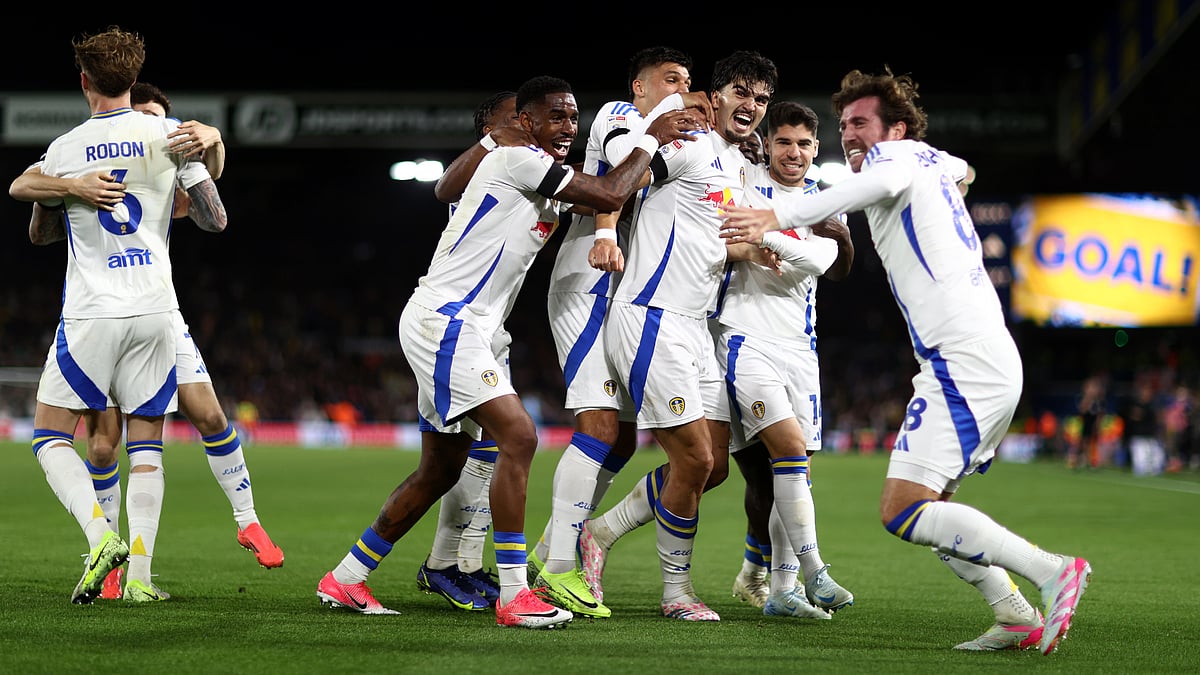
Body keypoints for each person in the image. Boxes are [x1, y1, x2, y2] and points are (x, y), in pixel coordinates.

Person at [718, 66, 1091, 655]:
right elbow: (963, 170)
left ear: (895, 128)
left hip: (963, 359)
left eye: (860, 123)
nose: (850, 135)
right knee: (931, 502)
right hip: (966, 357)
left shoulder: (894, 160)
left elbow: (863, 189)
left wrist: (775, 217)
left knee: (903, 508)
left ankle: (1052, 571)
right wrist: (950, 180)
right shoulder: (929, 160)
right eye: (843, 126)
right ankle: (1013, 613)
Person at [315, 75, 700, 628]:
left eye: (574, 118)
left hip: (467, 328)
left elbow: (606, 200)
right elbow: (611, 193)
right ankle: (516, 592)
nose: (569, 127)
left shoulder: (538, 176)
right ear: (526, 123)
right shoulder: (517, 159)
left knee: (439, 468)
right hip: (449, 322)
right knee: (518, 436)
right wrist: (651, 135)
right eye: (557, 117)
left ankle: (346, 577)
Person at [13, 82, 282, 602]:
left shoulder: (152, 152)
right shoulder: (130, 152)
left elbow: (194, 198)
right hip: (136, 313)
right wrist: (68, 188)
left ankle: (152, 559)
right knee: (105, 441)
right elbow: (208, 208)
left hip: (144, 314)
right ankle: (119, 568)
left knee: (205, 415)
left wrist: (213, 144)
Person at [577, 50, 779, 622]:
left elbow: (724, 241)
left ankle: (600, 531)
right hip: (652, 314)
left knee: (713, 465)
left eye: (761, 99)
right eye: (741, 93)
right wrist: (607, 230)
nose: (752, 107)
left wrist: (765, 252)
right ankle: (677, 593)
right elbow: (622, 186)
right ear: (715, 98)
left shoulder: (735, 167)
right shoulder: (687, 144)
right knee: (692, 458)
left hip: (697, 327)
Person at [525, 46, 715, 620]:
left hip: (626, 292)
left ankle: (545, 554)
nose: (681, 88)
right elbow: (614, 180)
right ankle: (559, 568)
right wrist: (608, 226)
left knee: (625, 438)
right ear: (638, 85)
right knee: (600, 425)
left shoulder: (680, 140)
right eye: (669, 79)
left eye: (687, 80)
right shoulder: (619, 115)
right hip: (590, 278)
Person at [717, 101, 855, 619]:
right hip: (744, 336)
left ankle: (780, 589)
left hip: (801, 348)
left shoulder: (825, 200)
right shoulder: (746, 184)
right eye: (783, 142)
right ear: (768, 144)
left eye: (803, 144)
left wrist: (766, 237)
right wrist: (777, 241)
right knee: (786, 455)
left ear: (816, 149)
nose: (793, 152)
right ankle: (814, 571)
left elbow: (825, 264)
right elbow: (725, 232)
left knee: (792, 472)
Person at [413, 91, 530, 612]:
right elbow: (443, 188)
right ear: (491, 126)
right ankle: (444, 565)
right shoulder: (485, 168)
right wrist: (491, 142)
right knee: (459, 454)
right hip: (448, 325)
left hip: (486, 328)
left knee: (477, 454)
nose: (524, 126)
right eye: (514, 119)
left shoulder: (524, 167)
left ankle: (459, 564)